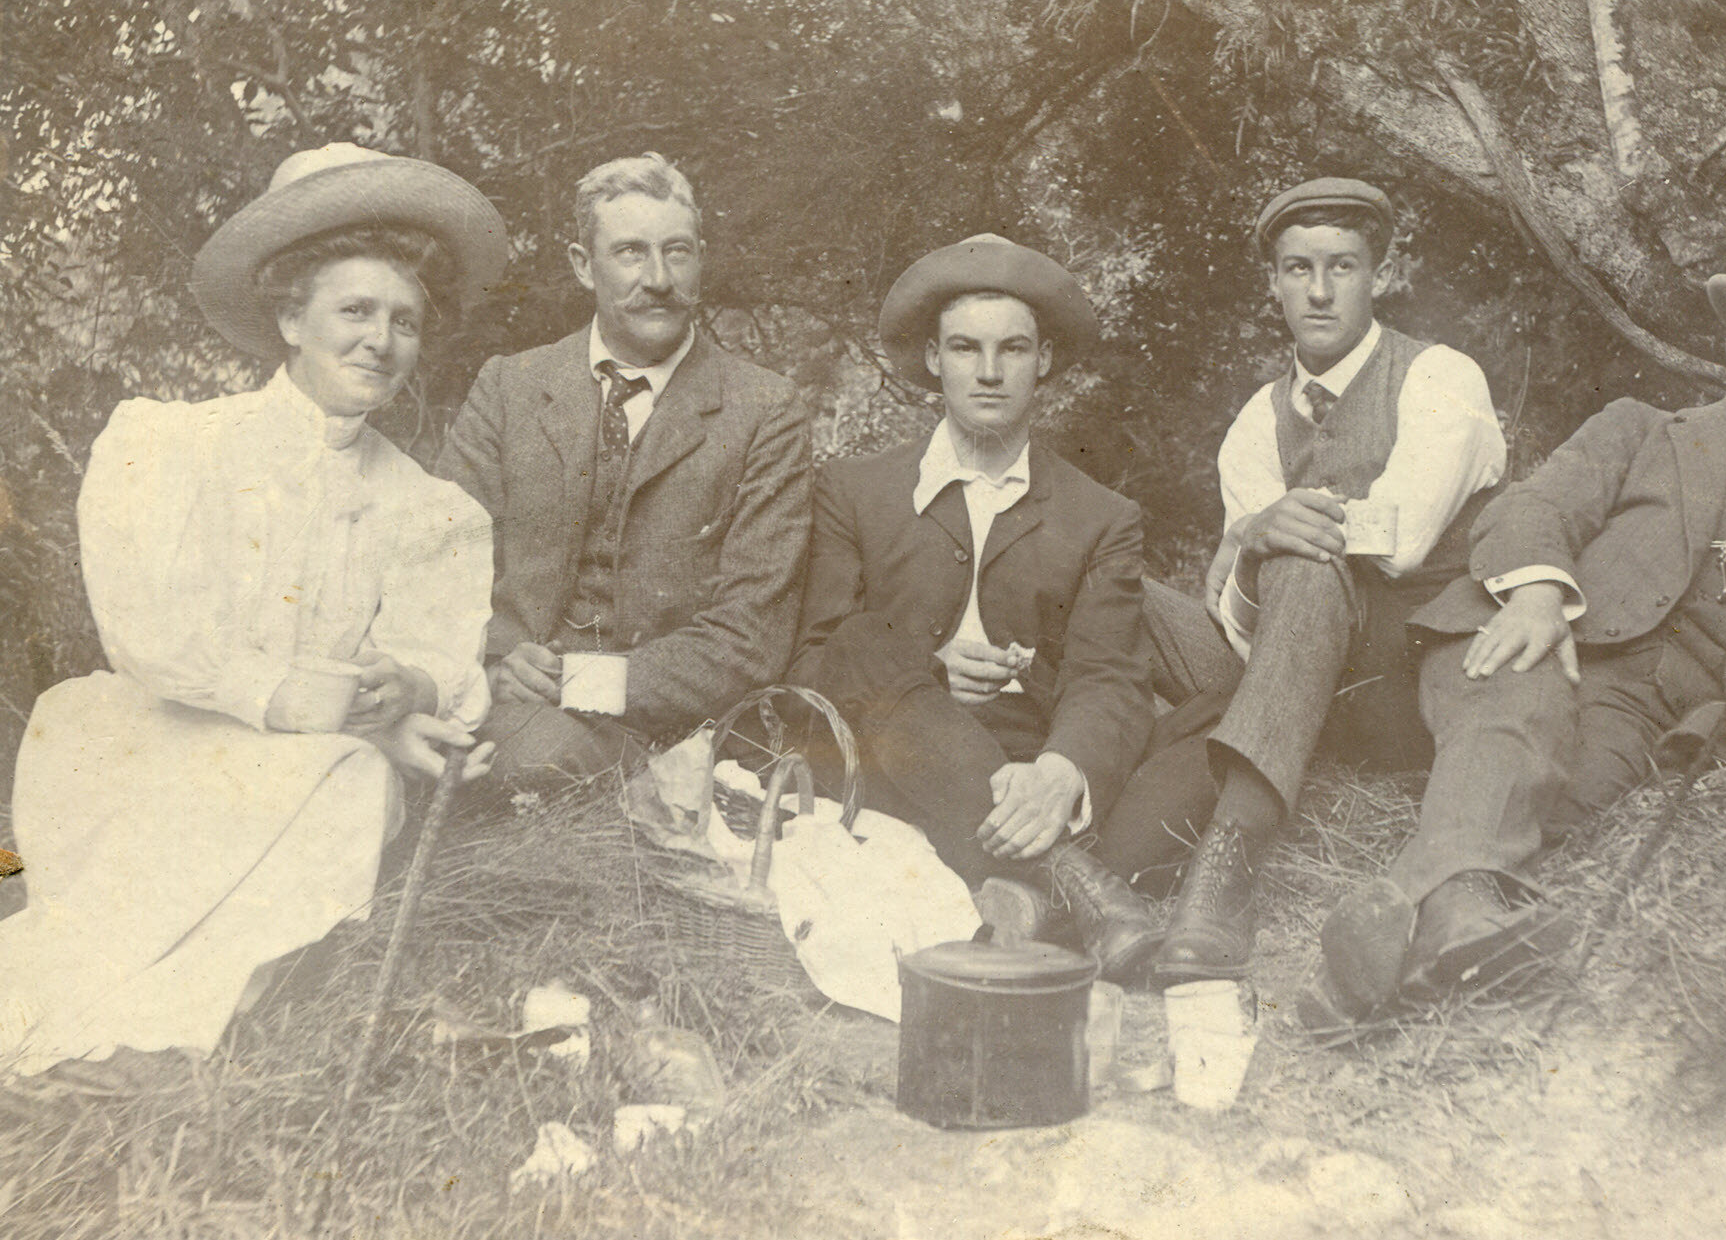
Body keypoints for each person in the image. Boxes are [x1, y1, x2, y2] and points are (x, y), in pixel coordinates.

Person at [0, 142, 505, 1080]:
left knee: (356, 782)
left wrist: (408, 689)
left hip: (320, 768)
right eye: (353, 310)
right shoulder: (172, 444)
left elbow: (440, 654)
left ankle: (161, 1030)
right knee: (269, 772)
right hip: (156, 738)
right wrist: (291, 699)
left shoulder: (430, 508)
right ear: (289, 318)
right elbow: (148, 637)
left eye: (404, 320)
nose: (380, 341)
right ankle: (60, 1015)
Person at [1300, 230, 1726, 1028]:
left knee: (1555, 807)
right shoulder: (1643, 428)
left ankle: (1379, 954)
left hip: (1648, 717)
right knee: (1513, 717)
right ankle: (1428, 934)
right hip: (1536, 638)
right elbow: (1533, 507)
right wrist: (1541, 593)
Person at [1142, 178, 1508, 983]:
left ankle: (1227, 864)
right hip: (1301, 686)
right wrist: (1246, 551)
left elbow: (1404, 540)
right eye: (1297, 268)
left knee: (1305, 558)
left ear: (1378, 274)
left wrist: (1269, 529)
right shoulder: (1253, 423)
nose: (1318, 289)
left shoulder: (1439, 378)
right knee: (1119, 586)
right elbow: (1240, 625)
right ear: (1272, 282)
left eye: (1341, 266)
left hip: (1410, 684)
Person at [788, 235, 1182, 982]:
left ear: (1046, 361)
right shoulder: (854, 489)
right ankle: (1073, 881)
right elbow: (813, 662)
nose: (991, 372)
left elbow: (1107, 674)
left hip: (1025, 773)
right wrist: (926, 671)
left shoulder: (1101, 514)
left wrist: (1064, 770)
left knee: (1208, 721)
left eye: (1015, 349)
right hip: (891, 753)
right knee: (862, 639)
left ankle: (1014, 887)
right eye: (967, 348)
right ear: (934, 360)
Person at [436, 154, 812, 791]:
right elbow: (439, 563)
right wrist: (497, 660)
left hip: (680, 729)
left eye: (679, 252)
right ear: (584, 265)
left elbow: (751, 633)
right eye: (631, 253)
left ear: (701, 258)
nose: (660, 279)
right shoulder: (510, 387)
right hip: (507, 705)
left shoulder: (764, 410)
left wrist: (583, 682)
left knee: (539, 759)